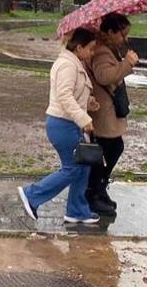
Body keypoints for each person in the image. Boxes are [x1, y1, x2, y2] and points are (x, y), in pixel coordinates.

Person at [17, 27, 102, 225]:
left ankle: (77, 211)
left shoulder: (73, 63)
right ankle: (32, 195)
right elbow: (64, 95)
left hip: (69, 123)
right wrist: (84, 118)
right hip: (63, 124)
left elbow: (71, 93)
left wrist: (88, 103)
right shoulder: (67, 65)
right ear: (79, 47)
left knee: (82, 167)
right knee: (73, 168)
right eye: (90, 49)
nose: (92, 53)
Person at [87, 13, 138, 216]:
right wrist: (127, 64)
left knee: (112, 148)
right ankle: (94, 192)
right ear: (110, 32)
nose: (124, 39)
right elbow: (104, 76)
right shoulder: (101, 52)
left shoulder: (108, 49)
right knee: (109, 149)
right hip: (103, 112)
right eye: (122, 34)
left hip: (107, 110)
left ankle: (99, 188)